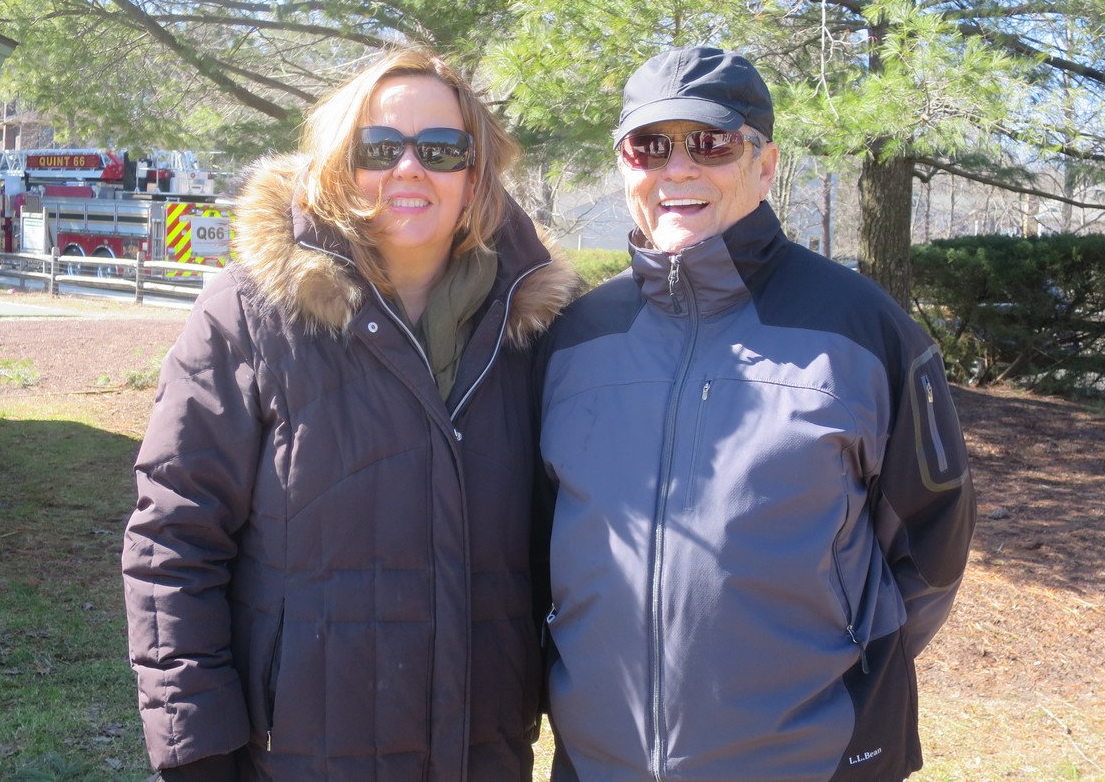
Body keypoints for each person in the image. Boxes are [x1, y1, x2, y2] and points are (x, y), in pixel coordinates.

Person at [122, 48, 578, 781]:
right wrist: (196, 744)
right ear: (339, 161)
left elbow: (576, 550)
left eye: (440, 148)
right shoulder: (248, 313)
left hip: (482, 750)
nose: (408, 169)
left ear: (476, 171)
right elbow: (173, 537)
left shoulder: (538, 328)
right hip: (303, 752)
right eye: (378, 147)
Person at [535, 46, 976, 781]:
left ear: (765, 165)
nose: (678, 170)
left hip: (810, 759)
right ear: (623, 165)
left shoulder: (862, 330)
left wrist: (836, 667)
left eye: (711, 143)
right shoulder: (574, 339)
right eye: (649, 146)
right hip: (598, 760)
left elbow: (931, 550)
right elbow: (533, 543)